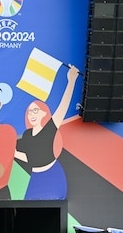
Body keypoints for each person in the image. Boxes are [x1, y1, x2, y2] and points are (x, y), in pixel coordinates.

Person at [14, 64, 79, 200]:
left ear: (44, 113)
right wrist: (12, 152)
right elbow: (30, 158)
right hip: (36, 178)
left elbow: (63, 106)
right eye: (30, 111)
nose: (32, 114)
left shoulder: (49, 128)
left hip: (52, 175)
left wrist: (71, 81)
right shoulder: (27, 134)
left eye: (35, 110)